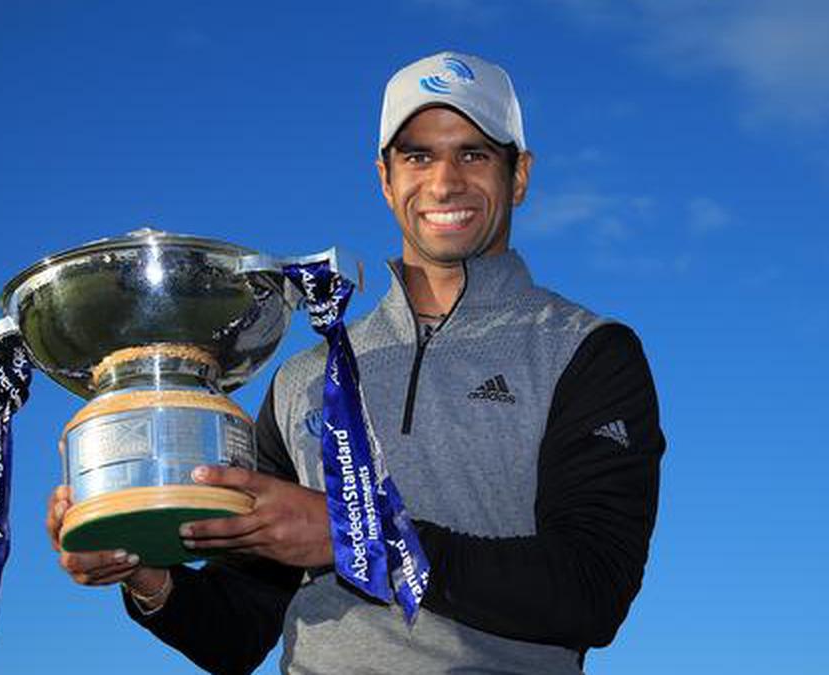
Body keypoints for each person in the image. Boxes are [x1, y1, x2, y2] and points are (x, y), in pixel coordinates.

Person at [46, 50, 665, 674]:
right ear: (385, 178)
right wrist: (150, 579)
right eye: (418, 155)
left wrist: (356, 539)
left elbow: (592, 589)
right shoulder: (302, 378)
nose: (445, 182)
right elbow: (238, 631)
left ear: (520, 174)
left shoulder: (584, 349)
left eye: (473, 153)